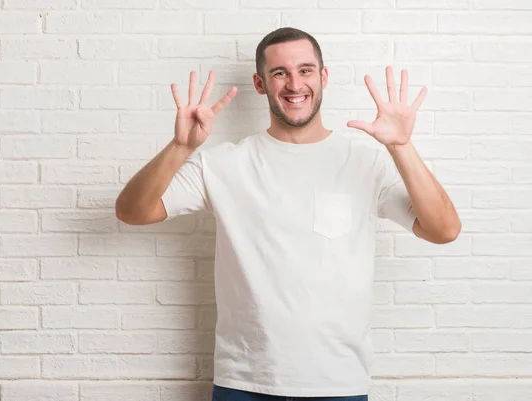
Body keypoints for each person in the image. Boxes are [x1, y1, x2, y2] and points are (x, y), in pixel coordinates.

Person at [115, 27, 461, 401]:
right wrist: (180, 147)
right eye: (280, 72)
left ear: (323, 77)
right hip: (244, 381)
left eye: (306, 70)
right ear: (260, 84)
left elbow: (443, 230)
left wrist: (402, 147)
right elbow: (133, 211)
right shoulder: (225, 164)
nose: (295, 84)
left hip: (339, 382)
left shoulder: (365, 161)